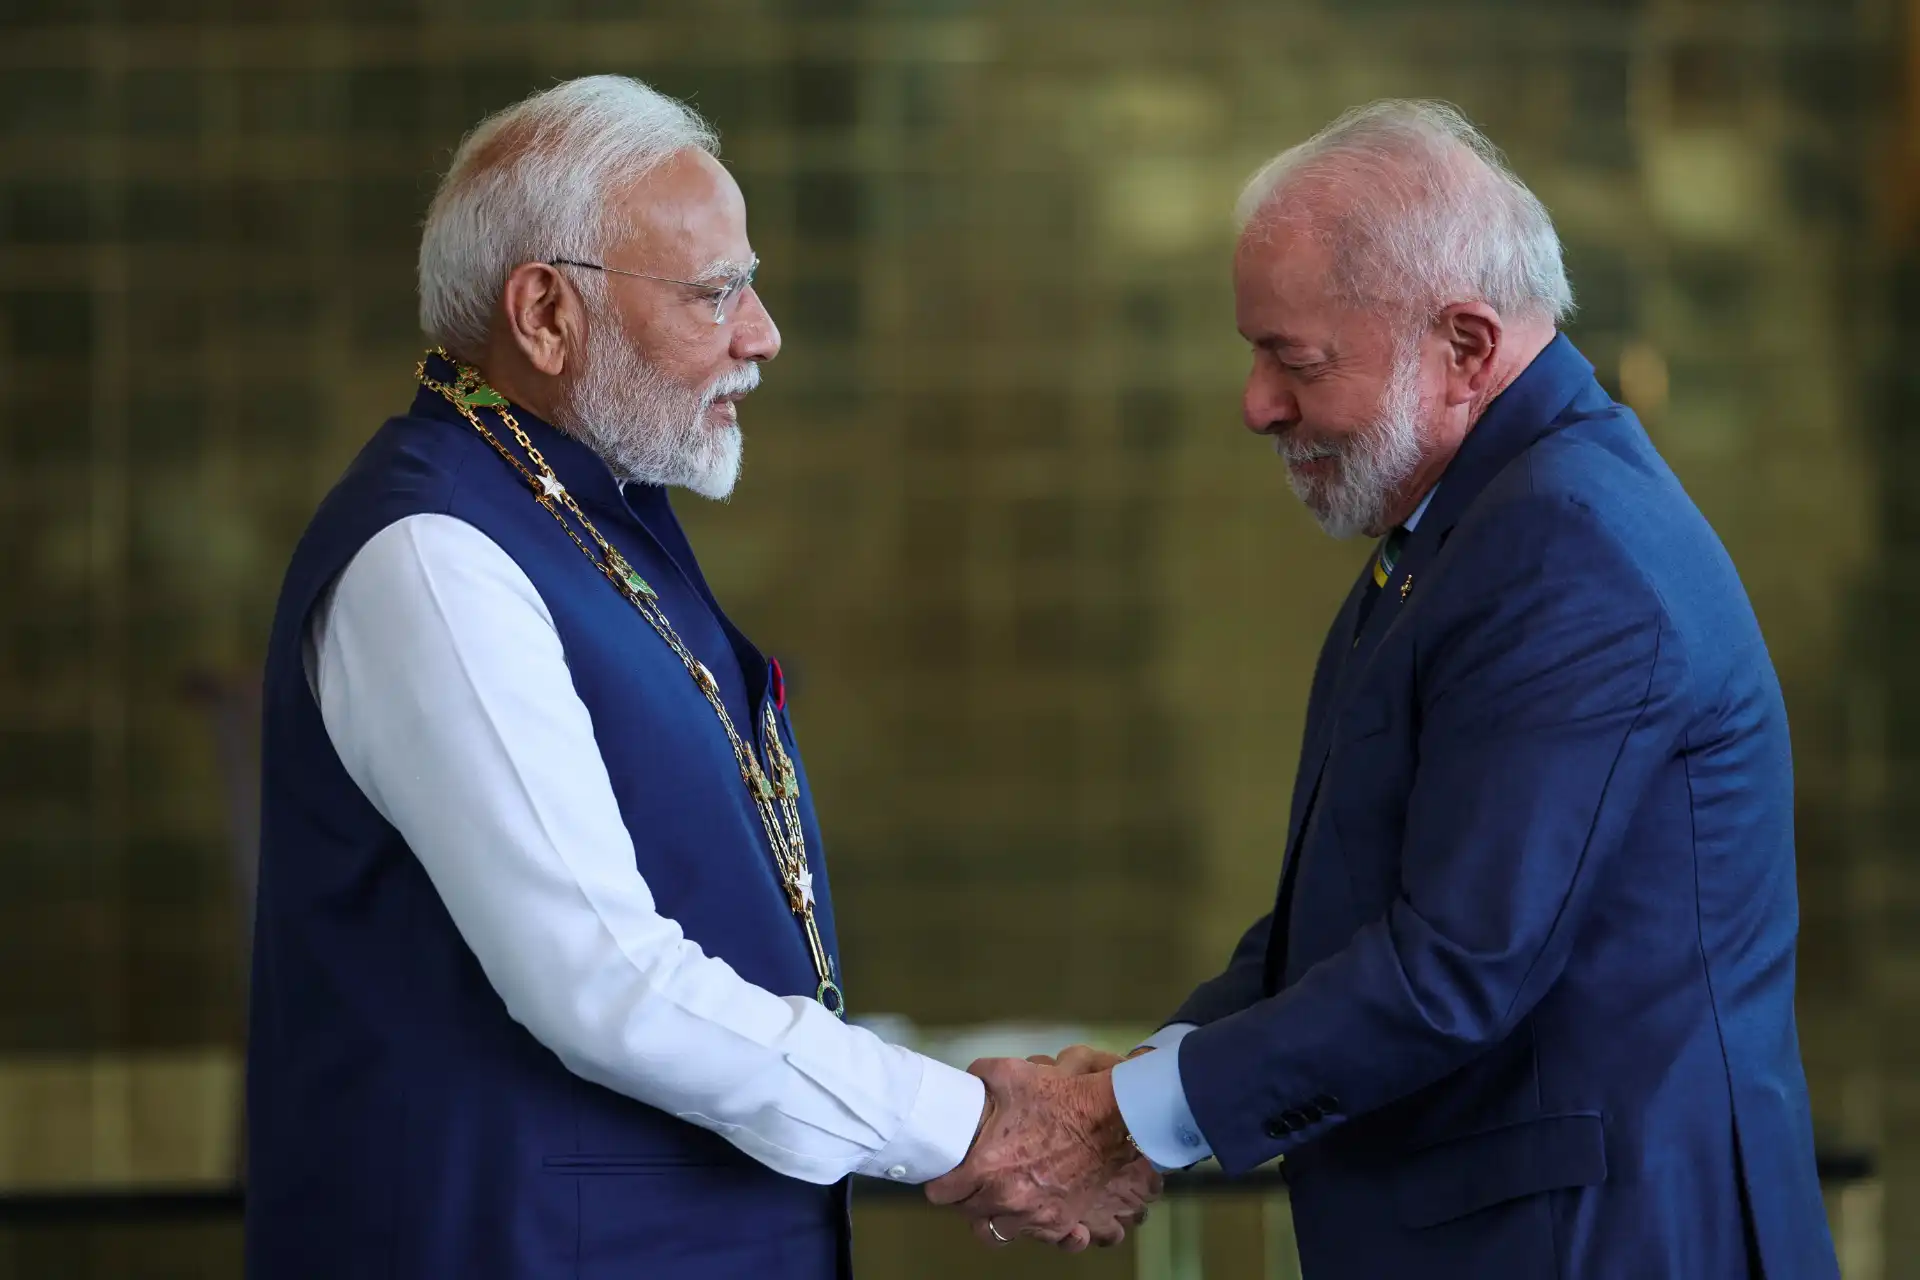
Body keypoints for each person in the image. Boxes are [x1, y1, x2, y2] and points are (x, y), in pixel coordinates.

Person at [244, 75, 1154, 1279]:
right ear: (546, 312)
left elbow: (719, 942)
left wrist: (980, 1085)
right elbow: (604, 981)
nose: (762, 331)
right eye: (714, 291)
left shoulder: (584, 518)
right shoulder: (434, 557)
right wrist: (972, 1121)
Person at [931, 100, 1840, 1279]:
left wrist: (1126, 1115)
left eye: (1292, 358)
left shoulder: (1567, 546)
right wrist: (1152, 1070)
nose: (1256, 403)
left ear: (1464, 347)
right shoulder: (1474, 524)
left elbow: (1453, 965)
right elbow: (1354, 906)